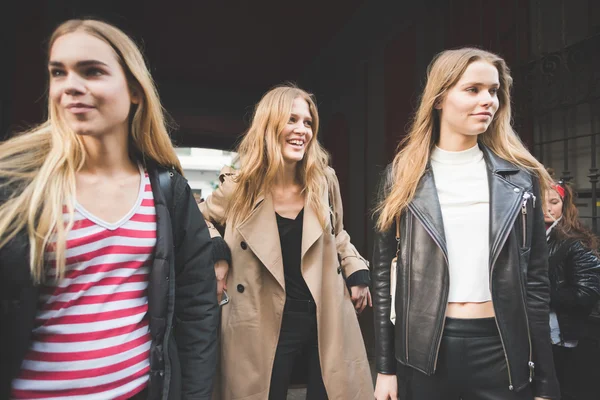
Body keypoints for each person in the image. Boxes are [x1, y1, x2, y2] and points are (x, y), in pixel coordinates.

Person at [0, 19, 218, 400]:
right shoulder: (15, 181)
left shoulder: (166, 189)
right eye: (58, 72)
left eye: (92, 71)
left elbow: (196, 305)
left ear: (134, 91)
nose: (70, 86)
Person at [372, 47, 560, 400]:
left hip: (502, 349)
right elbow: (383, 278)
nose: (488, 100)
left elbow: (536, 283)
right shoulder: (402, 176)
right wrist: (385, 369)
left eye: (493, 91)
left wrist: (546, 382)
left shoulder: (520, 179)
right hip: (425, 352)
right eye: (473, 89)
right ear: (440, 98)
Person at [199, 84, 374, 399]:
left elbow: (338, 235)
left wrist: (356, 269)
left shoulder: (323, 180)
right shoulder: (239, 187)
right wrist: (217, 254)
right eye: (292, 120)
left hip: (324, 313)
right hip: (260, 318)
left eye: (308, 123)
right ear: (269, 125)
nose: (302, 130)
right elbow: (199, 219)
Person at [544, 179, 600, 399]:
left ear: (564, 206)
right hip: (535, 334)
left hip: (562, 337)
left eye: (554, 201)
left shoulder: (576, 241)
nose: (547, 208)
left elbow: (586, 294)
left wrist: (538, 296)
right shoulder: (535, 238)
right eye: (541, 201)